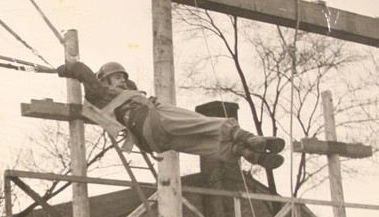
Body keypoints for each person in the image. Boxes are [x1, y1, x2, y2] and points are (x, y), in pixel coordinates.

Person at [57, 60, 285, 170]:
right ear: (105, 80)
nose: (122, 80)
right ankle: (245, 136)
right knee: (197, 123)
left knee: (199, 144)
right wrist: (68, 68)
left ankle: (245, 152)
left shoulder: (127, 95)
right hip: (149, 119)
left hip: (153, 142)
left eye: (123, 77)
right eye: (117, 77)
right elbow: (81, 71)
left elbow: (130, 88)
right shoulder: (101, 93)